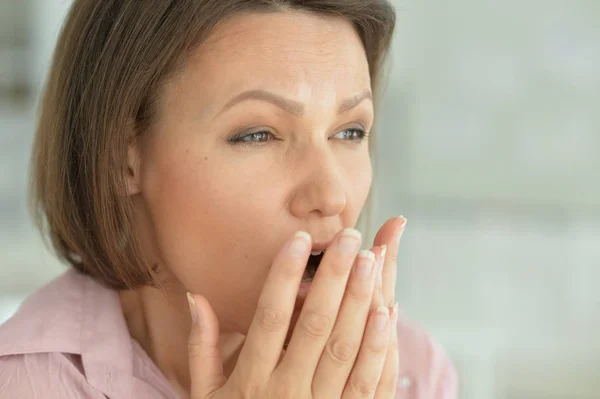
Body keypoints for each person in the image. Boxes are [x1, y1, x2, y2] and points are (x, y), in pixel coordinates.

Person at [0, 1, 457, 397]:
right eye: (257, 134)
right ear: (123, 158)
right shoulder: (26, 384)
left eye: (350, 131)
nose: (331, 195)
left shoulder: (410, 373)